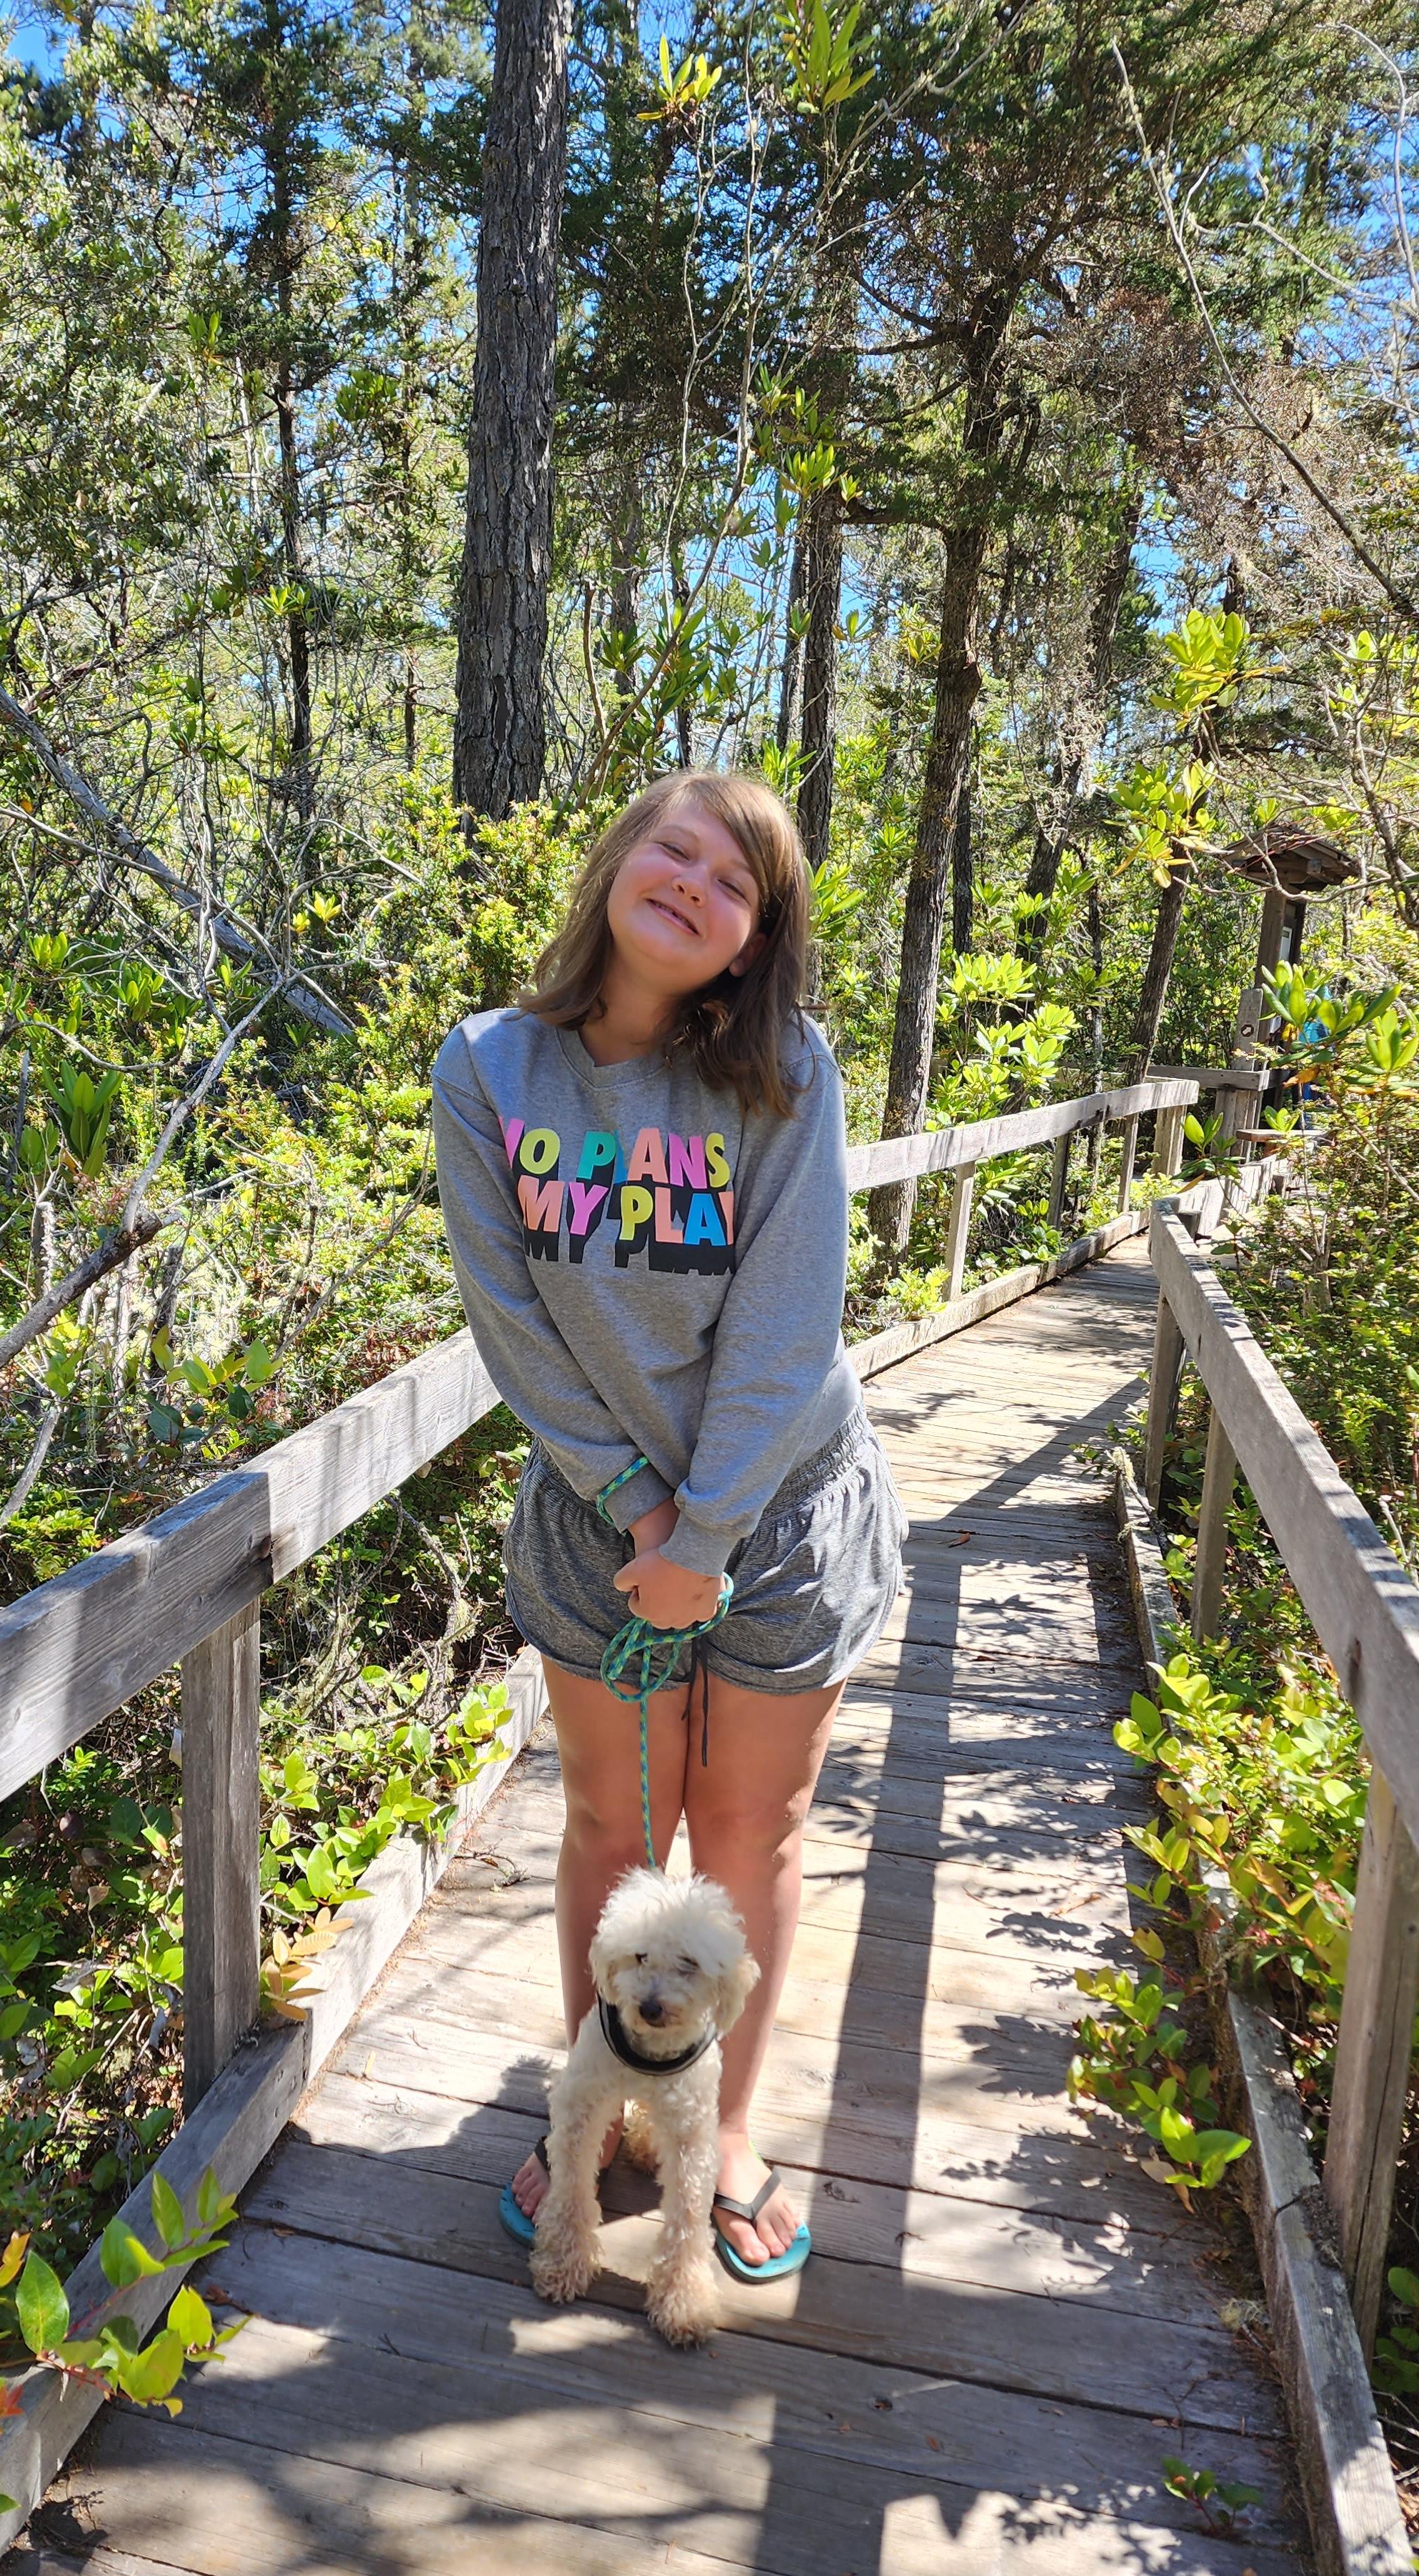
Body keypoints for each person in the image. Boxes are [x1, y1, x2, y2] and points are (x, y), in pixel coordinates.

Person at [430, 768, 905, 2282]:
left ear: (756, 936)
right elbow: (509, 1317)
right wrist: (637, 1506)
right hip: (596, 1511)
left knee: (751, 1826)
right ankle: (600, 2106)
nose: (695, 883)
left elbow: (788, 1318)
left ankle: (728, 2123)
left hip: (785, 1506)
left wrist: (704, 1535)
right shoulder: (492, 1067)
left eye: (735, 881)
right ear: (619, 861)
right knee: (610, 1828)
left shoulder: (785, 1073)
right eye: (675, 849)